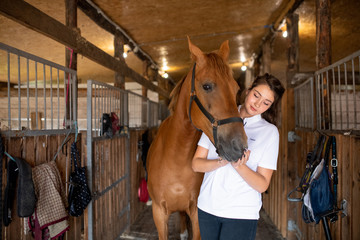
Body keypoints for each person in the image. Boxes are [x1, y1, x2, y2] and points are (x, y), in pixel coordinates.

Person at [192, 73, 285, 240]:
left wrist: (239, 165)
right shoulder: (219, 118)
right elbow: (196, 164)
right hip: (207, 207)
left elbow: (262, 184)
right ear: (248, 91)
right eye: (256, 95)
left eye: (266, 103)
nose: (257, 104)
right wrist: (223, 161)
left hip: (241, 213)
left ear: (270, 106)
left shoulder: (269, 132)